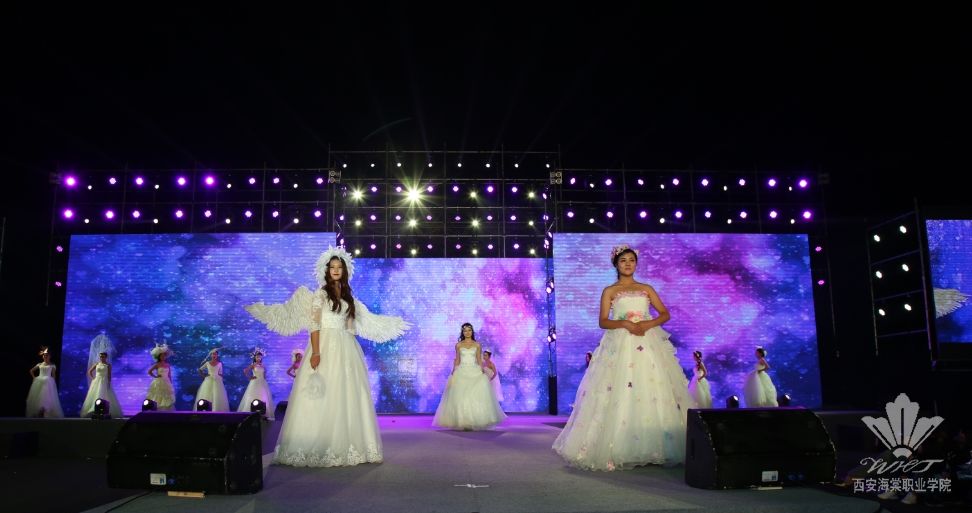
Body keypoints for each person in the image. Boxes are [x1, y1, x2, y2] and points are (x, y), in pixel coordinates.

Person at [246, 245, 410, 467]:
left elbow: (352, 326)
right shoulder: (320, 294)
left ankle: (347, 443)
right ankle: (318, 443)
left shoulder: (348, 296)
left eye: (339, 267)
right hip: (325, 344)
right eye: (332, 267)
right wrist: (315, 352)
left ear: (344, 270)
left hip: (346, 347)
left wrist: (363, 331)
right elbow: (314, 325)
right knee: (322, 392)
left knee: (346, 393)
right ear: (326, 269)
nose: (335, 270)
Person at [553, 244, 695, 470]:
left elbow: (665, 313)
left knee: (651, 386)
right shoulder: (610, 291)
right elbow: (603, 321)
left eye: (631, 260)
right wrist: (625, 324)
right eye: (623, 261)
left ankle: (654, 446)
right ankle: (619, 446)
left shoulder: (646, 288)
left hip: (647, 341)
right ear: (616, 264)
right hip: (620, 343)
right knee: (618, 388)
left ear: (636, 263)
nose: (628, 264)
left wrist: (648, 323)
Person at [433, 324, 506, 430]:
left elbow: (479, 360)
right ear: (462, 332)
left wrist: (482, 370)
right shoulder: (458, 345)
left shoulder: (477, 345)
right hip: (461, 371)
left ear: (472, 331)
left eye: (469, 330)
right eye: (465, 330)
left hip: (474, 371)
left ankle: (475, 421)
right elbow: (457, 359)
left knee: (475, 395)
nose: (467, 332)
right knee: (460, 396)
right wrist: (453, 370)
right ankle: (463, 421)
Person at [80, 351, 123, 417]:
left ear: (106, 357)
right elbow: (89, 371)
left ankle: (104, 410)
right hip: (97, 381)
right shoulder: (97, 364)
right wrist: (93, 378)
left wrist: (109, 382)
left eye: (103, 357)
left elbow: (109, 375)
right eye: (100, 357)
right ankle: (94, 410)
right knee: (95, 394)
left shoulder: (108, 365)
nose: (101, 358)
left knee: (104, 394)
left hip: (104, 381)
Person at [26, 346, 64, 418]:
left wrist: (53, 384)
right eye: (44, 355)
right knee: (37, 397)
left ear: (49, 356)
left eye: (47, 355)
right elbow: (31, 371)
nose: (45, 357)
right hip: (39, 381)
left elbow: (53, 375)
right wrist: (34, 378)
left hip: (48, 382)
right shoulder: (40, 364)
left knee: (45, 397)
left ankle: (44, 411)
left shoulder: (52, 365)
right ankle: (39, 412)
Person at [237, 347, 274, 417]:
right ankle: (249, 412)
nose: (259, 358)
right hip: (255, 382)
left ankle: (263, 413)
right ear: (255, 357)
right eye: (257, 357)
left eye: (260, 357)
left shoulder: (263, 366)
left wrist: (265, 376)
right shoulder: (253, 365)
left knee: (263, 396)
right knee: (252, 396)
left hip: (262, 383)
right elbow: (245, 371)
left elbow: (264, 376)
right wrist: (250, 377)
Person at [146, 343, 175, 410]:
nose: (163, 357)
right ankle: (157, 408)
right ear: (159, 357)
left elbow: (169, 374)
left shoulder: (167, 364)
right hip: (159, 381)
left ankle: (165, 409)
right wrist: (155, 376)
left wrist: (170, 383)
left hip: (166, 381)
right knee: (158, 394)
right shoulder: (157, 364)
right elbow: (149, 371)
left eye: (164, 356)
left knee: (166, 395)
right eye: (161, 356)